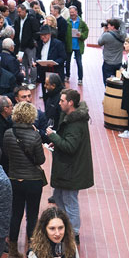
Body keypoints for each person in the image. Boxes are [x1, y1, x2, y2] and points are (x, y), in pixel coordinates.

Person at [45, 89, 93, 237]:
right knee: (58, 197)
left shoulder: (75, 124)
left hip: (71, 170)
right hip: (68, 168)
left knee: (70, 201)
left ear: (70, 103)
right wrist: (58, 142)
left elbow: (70, 147)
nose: (59, 103)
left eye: (62, 101)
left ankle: (74, 233)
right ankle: (65, 224)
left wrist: (53, 137)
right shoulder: (71, 117)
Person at [3, 101, 46, 258]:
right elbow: (40, 160)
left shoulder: (8, 133)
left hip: (14, 179)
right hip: (33, 181)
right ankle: (32, 249)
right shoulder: (35, 135)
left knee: (16, 214)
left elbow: (7, 154)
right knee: (32, 214)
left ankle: (13, 250)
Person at [13, 3, 40, 80]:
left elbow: (36, 31)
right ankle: (25, 79)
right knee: (22, 64)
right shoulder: (17, 20)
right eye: (17, 12)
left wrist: (32, 41)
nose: (18, 13)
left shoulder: (31, 19)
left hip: (30, 46)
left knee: (32, 64)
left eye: (20, 12)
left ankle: (33, 80)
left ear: (25, 11)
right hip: (20, 46)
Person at [64, 5, 89, 84]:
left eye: (73, 12)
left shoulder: (81, 22)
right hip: (69, 45)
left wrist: (81, 35)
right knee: (67, 62)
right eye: (70, 12)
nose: (72, 14)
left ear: (76, 12)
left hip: (78, 45)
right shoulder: (67, 22)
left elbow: (86, 31)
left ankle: (80, 78)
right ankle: (67, 75)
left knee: (79, 62)